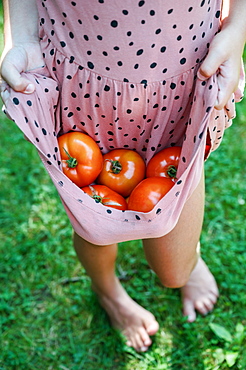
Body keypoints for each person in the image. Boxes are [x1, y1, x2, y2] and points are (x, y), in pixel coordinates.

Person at [0, 0, 245, 353]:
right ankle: (108, 291)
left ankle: (188, 259)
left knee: (175, 268)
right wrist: (21, 37)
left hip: (183, 83)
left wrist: (237, 28)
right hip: (84, 89)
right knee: (94, 224)